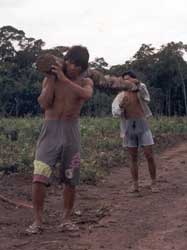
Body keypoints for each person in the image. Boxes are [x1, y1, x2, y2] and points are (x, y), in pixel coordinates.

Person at [26, 45, 93, 234]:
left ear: (83, 67)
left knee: (70, 178)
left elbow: (87, 95)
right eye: (71, 64)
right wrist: (51, 80)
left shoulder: (85, 81)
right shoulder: (51, 79)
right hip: (51, 127)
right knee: (39, 176)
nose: (74, 68)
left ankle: (66, 220)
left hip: (71, 130)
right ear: (66, 61)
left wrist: (64, 80)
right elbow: (43, 103)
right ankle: (38, 221)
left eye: (78, 66)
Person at [117, 70, 158, 194]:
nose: (127, 82)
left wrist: (138, 83)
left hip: (142, 125)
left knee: (149, 155)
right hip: (129, 127)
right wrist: (121, 106)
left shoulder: (140, 90)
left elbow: (146, 96)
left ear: (134, 80)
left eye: (129, 79)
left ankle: (154, 182)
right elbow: (115, 113)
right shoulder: (120, 96)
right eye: (124, 80)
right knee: (133, 157)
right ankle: (135, 184)